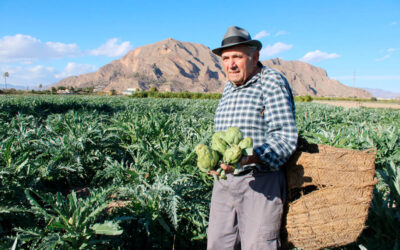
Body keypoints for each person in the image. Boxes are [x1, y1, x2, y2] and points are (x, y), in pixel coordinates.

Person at [207, 26, 298, 250]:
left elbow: (285, 137)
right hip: (225, 183)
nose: (231, 64)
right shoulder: (229, 87)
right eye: (226, 58)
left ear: (254, 56)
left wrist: (250, 157)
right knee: (218, 244)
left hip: (261, 181)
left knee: (258, 245)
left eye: (237, 56)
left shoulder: (271, 82)